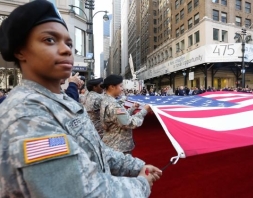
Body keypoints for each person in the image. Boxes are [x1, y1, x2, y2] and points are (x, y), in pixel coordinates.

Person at [0, 1, 162, 197]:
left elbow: (97, 151)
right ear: (20, 51)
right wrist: (141, 184)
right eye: (50, 40)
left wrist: (136, 166)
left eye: (68, 43)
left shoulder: (60, 101)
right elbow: (80, 192)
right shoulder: (27, 115)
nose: (67, 50)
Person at [100, 74, 152, 154]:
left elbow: (119, 118)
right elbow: (129, 123)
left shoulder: (106, 100)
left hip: (112, 144)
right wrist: (145, 110)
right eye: (120, 86)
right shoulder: (113, 105)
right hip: (118, 148)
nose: (122, 89)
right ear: (112, 87)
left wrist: (133, 108)